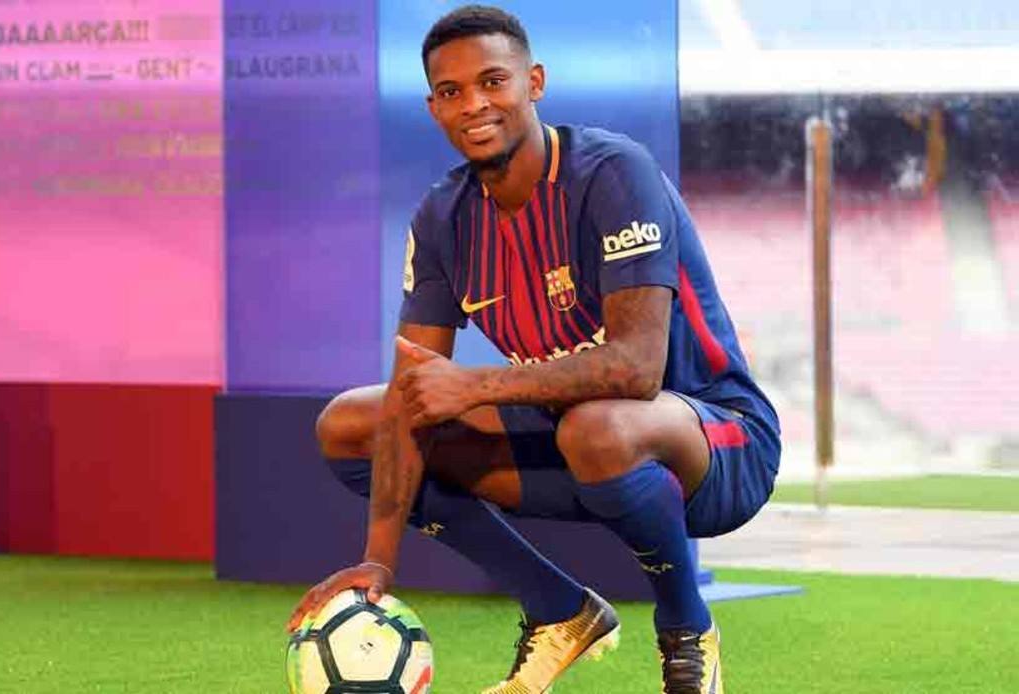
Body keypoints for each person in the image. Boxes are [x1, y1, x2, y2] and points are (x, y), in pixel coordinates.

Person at [287, 6, 780, 693]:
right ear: (434, 108)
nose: (474, 104)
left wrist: (475, 386)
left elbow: (637, 369)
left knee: (597, 426)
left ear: (534, 82)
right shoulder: (443, 218)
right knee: (349, 425)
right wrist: (380, 560)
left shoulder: (614, 174)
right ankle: (559, 610)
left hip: (717, 442)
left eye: (493, 81)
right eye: (452, 91)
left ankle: (685, 627)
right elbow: (410, 396)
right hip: (572, 442)